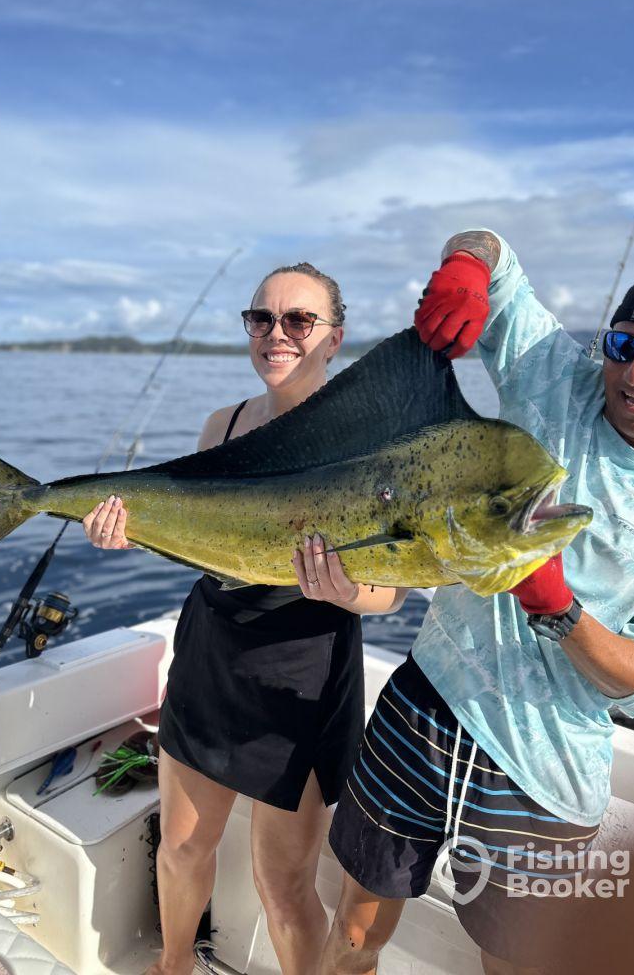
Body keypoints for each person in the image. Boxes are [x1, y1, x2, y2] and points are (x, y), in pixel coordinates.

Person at [321, 232, 634, 975]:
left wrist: (561, 610)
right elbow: (493, 248)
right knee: (354, 933)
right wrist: (467, 265)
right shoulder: (561, 378)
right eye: (623, 343)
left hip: (544, 764)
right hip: (424, 703)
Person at [82, 261, 410, 975]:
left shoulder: (369, 445)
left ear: (335, 338)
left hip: (303, 672)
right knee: (182, 846)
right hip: (212, 653)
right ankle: (173, 967)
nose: (276, 335)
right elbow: (197, 538)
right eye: (261, 319)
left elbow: (390, 594)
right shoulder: (222, 425)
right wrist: (125, 528)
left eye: (299, 321)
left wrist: (342, 589)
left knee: (282, 885)